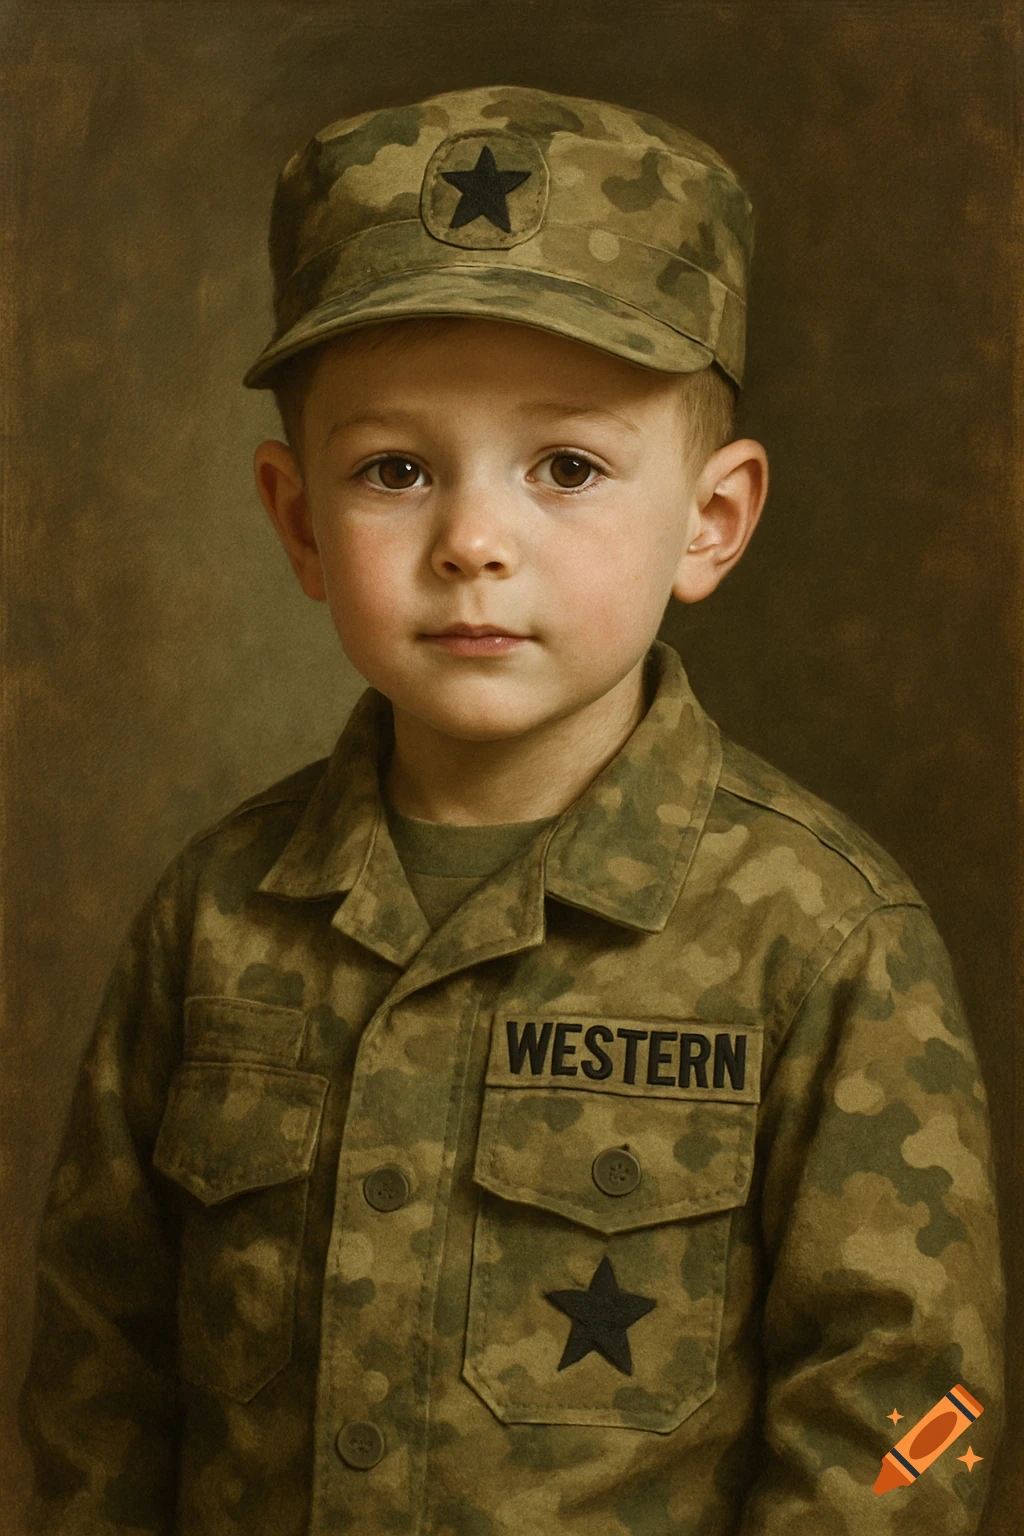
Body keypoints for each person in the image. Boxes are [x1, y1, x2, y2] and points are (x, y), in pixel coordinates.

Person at [20, 83, 1003, 1536]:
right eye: (396, 471)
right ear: (298, 518)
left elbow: (916, 1410)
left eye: (567, 468)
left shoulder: (823, 937)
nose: (472, 542)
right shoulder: (218, 916)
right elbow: (97, 1379)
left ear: (711, 522)